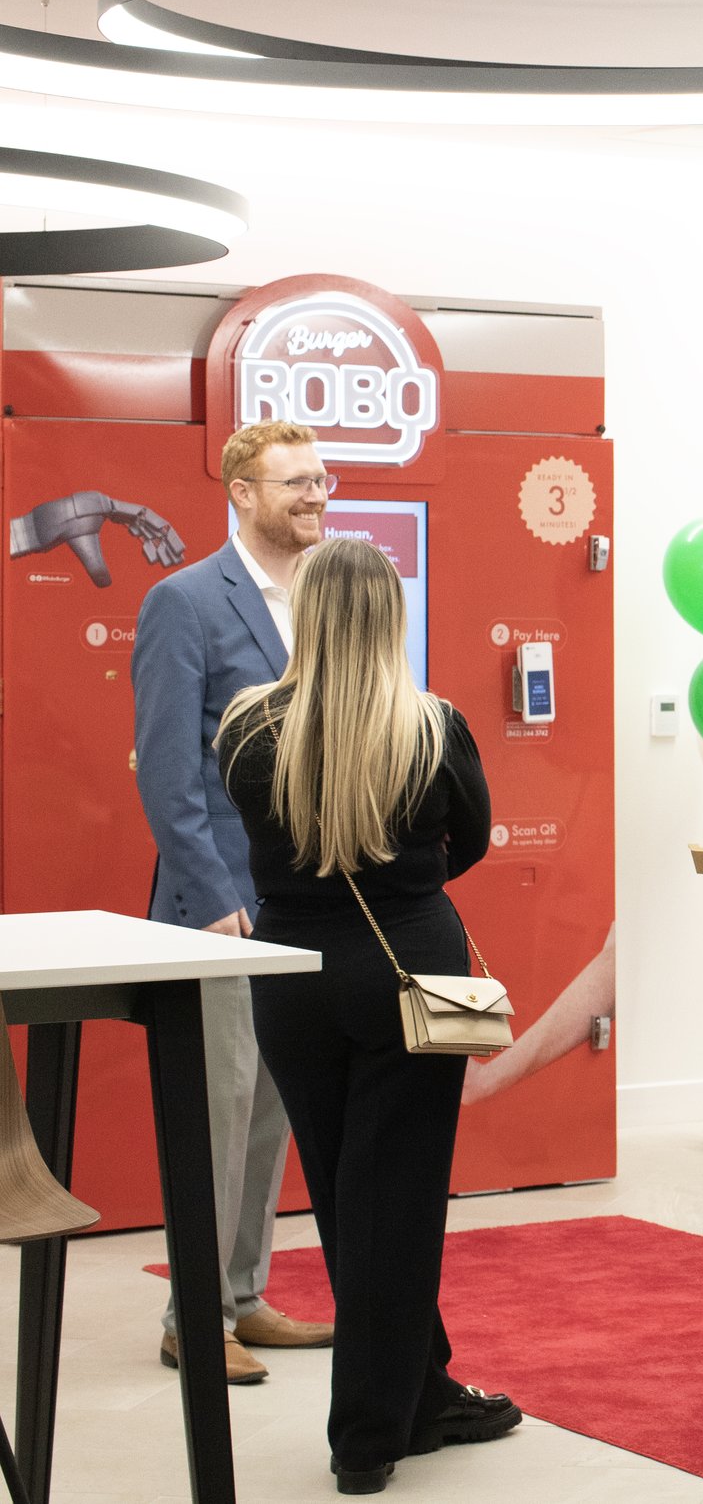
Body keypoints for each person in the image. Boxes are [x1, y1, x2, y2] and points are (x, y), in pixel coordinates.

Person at [215, 537, 520, 1494]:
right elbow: (466, 841)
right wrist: (405, 879)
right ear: (392, 616)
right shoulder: (433, 727)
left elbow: (255, 831)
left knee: (350, 1192)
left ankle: (420, 1388)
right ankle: (369, 1434)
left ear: (301, 615)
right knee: (396, 1200)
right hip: (404, 968)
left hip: (290, 975)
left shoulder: (248, 727)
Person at [131, 418, 337, 1383]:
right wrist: (211, 897)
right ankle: (192, 1312)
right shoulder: (184, 601)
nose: (313, 495)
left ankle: (244, 1296)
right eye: (292, 481)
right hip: (222, 911)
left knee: (271, 1110)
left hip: (306, 901)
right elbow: (169, 771)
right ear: (241, 493)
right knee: (218, 1110)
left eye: (320, 478)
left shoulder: (329, 601)